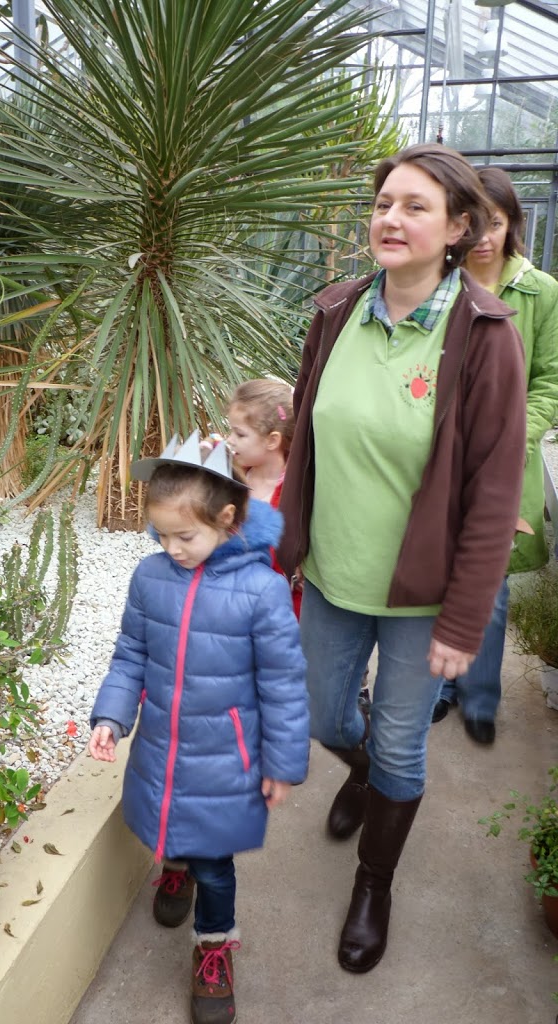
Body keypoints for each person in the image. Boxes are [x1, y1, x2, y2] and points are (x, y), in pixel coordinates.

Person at [276, 143, 527, 974]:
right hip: (333, 576)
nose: (391, 217)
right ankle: (364, 775)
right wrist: (287, 541)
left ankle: (373, 883)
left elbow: (494, 492)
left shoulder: (486, 337)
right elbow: (306, 437)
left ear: (457, 229)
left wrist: (464, 620)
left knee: (401, 742)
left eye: (416, 206)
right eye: (384, 202)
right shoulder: (336, 312)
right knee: (323, 718)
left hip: (424, 596)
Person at [89, 430, 309, 1024]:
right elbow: (131, 654)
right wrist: (112, 715)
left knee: (216, 865)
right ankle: (174, 865)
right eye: (161, 534)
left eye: (185, 536)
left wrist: (283, 763)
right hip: (163, 748)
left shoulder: (262, 590)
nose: (172, 547)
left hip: (226, 760)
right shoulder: (150, 577)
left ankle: (214, 947)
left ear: (227, 520)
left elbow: (284, 684)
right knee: (168, 828)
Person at [433, 166, 558, 744]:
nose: (483, 235)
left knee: (490, 580)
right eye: (472, 221)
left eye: (497, 222)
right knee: (434, 568)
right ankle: (438, 686)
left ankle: (479, 697)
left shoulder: (541, 292)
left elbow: (550, 381)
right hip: (438, 454)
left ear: (513, 226)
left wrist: (510, 437)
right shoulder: (437, 285)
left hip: (504, 460)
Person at [225, 378, 302, 616]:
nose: (230, 439)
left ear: (272, 440)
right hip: (229, 601)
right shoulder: (228, 479)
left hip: (276, 608)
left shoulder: (297, 492)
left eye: (239, 434)